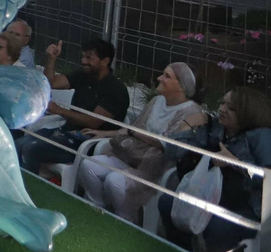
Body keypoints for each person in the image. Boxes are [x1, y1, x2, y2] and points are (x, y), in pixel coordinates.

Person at [159, 87, 271, 252]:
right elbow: (173, 150)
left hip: (254, 207)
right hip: (216, 197)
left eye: (231, 108)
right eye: (222, 103)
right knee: (168, 202)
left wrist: (236, 163)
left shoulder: (265, 137)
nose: (221, 109)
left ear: (248, 113)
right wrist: (189, 124)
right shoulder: (215, 128)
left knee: (218, 225)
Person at [76, 63, 206, 223]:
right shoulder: (157, 101)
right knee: (89, 166)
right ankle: (97, 211)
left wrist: (136, 134)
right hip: (134, 156)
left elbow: (169, 144)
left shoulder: (191, 112)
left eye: (167, 76)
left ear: (181, 86)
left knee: (114, 181)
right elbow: (133, 129)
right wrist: (105, 133)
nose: (159, 78)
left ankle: (126, 221)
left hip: (157, 167)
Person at [16, 38, 131, 177]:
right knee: (18, 144)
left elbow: (93, 122)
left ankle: (30, 191)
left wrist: (60, 111)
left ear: (105, 61)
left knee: (30, 149)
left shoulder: (115, 89)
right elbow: (49, 83)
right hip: (66, 132)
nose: (83, 61)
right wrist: (51, 59)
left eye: (89, 57)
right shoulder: (83, 75)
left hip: (88, 143)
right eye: (83, 56)